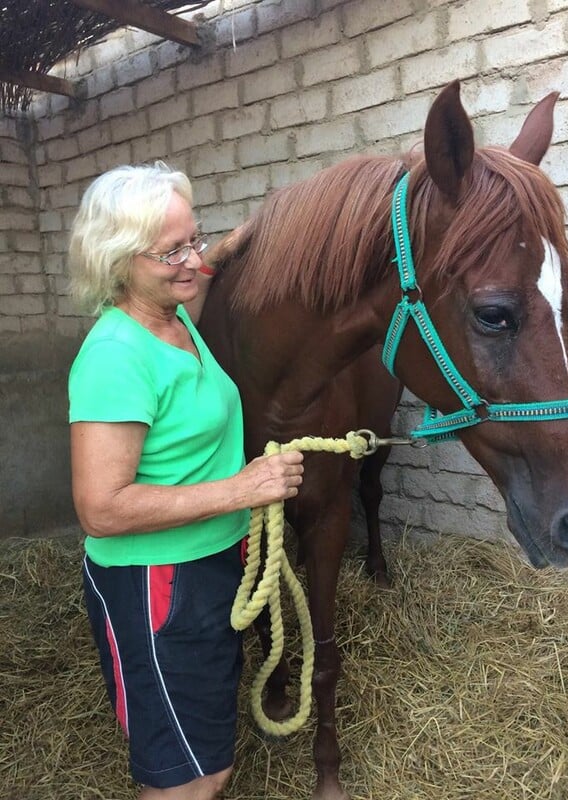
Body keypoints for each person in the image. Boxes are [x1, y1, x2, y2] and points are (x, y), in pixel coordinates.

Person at [67, 161, 304, 800]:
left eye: (193, 239)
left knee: (202, 753)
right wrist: (244, 489)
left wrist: (236, 243)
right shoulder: (116, 356)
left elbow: (199, 279)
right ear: (119, 260)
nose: (190, 261)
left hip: (210, 564)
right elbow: (101, 508)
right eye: (171, 249)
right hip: (156, 583)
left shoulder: (174, 318)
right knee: (189, 778)